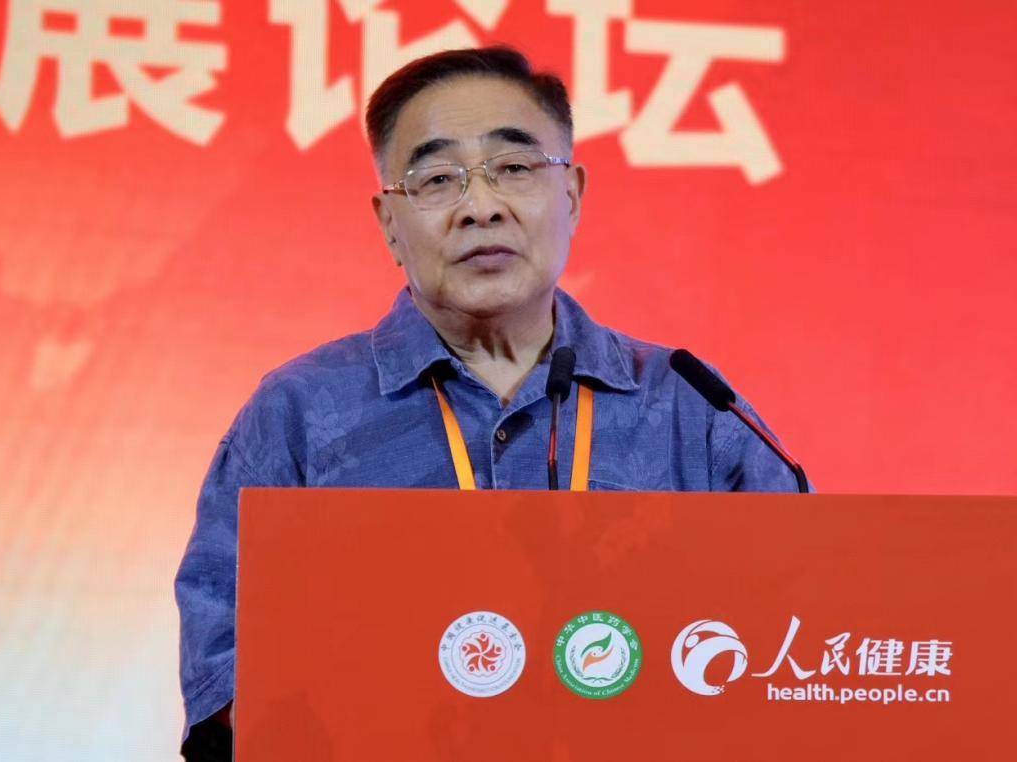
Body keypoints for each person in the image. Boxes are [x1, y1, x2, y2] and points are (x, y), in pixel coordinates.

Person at [174, 46, 801, 760]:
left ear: (572, 195)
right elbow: (223, 681)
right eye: (437, 179)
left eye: (515, 168)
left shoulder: (690, 405)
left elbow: (797, 640)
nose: (481, 207)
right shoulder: (301, 411)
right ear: (389, 222)